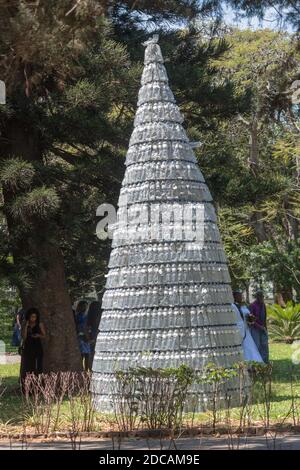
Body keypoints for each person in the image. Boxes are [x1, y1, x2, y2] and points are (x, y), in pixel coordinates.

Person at [232, 290, 263, 362]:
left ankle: (254, 363)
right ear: (234, 297)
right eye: (239, 295)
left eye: (241, 295)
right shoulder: (233, 306)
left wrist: (251, 318)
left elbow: (248, 318)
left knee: (250, 347)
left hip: (246, 330)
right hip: (239, 330)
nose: (241, 297)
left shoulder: (244, 305)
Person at [20, 308, 46, 383]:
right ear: (28, 316)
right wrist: (26, 326)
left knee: (38, 366)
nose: (33, 319)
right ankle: (29, 383)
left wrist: (38, 335)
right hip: (28, 346)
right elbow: (24, 337)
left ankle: (39, 382)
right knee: (29, 366)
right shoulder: (25, 323)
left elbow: (44, 335)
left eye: (35, 317)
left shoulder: (40, 324)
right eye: (32, 317)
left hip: (37, 346)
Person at [249, 290, 269, 363]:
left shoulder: (263, 305)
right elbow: (250, 320)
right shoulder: (252, 305)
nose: (262, 298)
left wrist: (265, 328)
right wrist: (259, 326)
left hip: (263, 329)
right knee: (257, 346)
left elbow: (264, 317)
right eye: (260, 296)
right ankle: (258, 363)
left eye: (262, 296)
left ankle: (265, 362)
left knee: (265, 346)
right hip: (255, 329)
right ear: (257, 297)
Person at [75, 300, 90, 371]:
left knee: (85, 355)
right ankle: (84, 370)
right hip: (82, 336)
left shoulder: (80, 315)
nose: (86, 307)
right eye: (85, 306)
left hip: (82, 335)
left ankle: (84, 370)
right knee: (84, 355)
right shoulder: (81, 315)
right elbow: (82, 326)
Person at [87, 301, 102, 369]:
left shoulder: (89, 318)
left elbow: (88, 328)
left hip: (93, 337)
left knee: (92, 354)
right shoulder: (100, 317)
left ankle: (91, 369)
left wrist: (90, 337)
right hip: (98, 337)